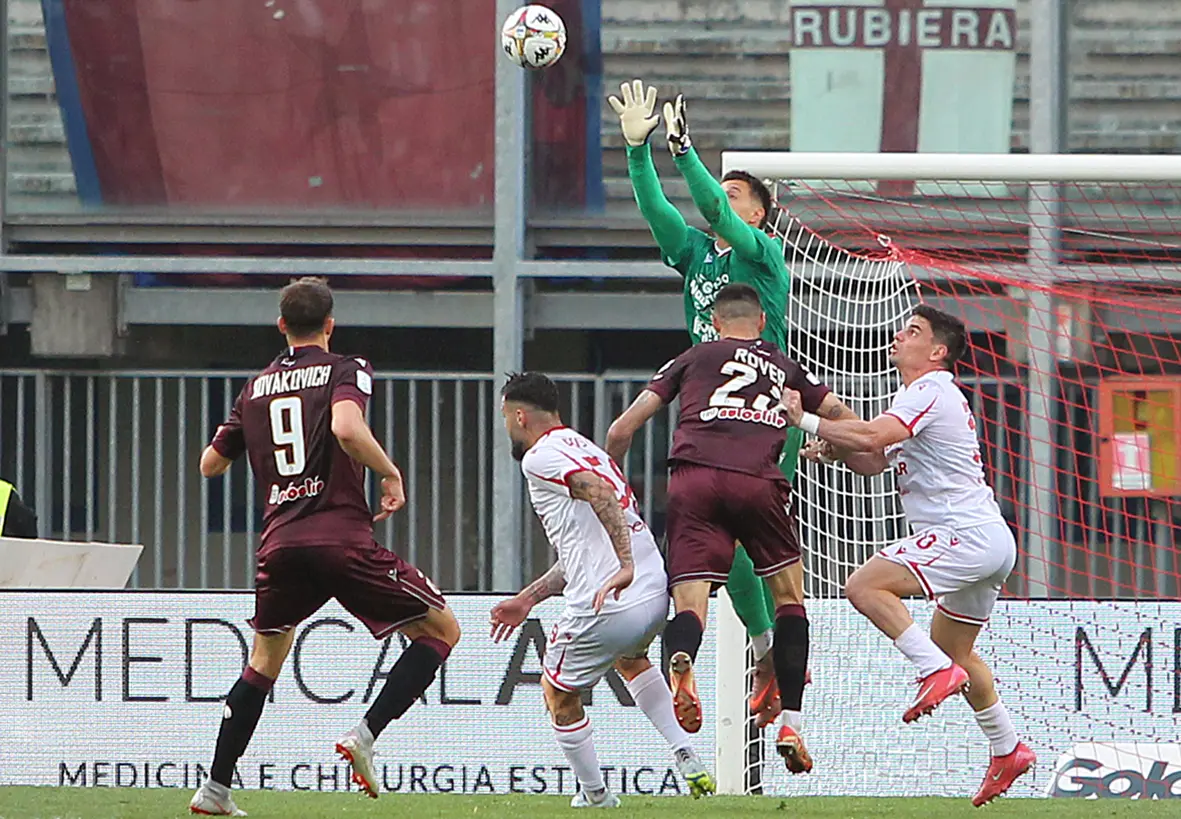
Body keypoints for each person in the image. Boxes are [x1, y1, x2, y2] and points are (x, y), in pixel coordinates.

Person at [188, 277, 461, 816]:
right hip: (339, 537)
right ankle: (364, 735)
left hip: (280, 544)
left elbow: (209, 465)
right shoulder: (345, 368)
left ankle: (215, 789)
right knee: (442, 630)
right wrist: (389, 471)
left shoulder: (255, 387)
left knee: (265, 659)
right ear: (330, 325)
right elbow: (345, 426)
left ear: (282, 325)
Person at [609, 78, 813, 725]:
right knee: (715, 544)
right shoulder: (695, 254)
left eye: (734, 195)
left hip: (761, 413)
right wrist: (639, 152)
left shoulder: (762, 256)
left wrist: (685, 152)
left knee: (749, 544)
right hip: (706, 412)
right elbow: (659, 213)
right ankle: (763, 656)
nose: (719, 203)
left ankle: (768, 659)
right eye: (720, 192)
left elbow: (714, 212)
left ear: (758, 212)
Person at [781, 304, 1035, 805]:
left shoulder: (930, 389)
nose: (899, 336)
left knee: (863, 585)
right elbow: (874, 458)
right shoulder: (922, 396)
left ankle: (933, 672)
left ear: (938, 351)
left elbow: (874, 436)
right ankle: (1008, 748)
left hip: (962, 533)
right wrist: (835, 447)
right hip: (989, 539)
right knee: (956, 650)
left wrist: (806, 420)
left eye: (913, 331)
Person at [605, 284, 855, 774]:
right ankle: (792, 723)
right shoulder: (783, 367)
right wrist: (838, 445)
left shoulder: (692, 357)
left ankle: (682, 662)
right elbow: (840, 416)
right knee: (788, 599)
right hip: (757, 480)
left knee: (691, 603)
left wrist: (617, 491)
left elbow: (621, 429)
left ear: (715, 324)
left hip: (693, 479)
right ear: (761, 323)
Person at [489, 372, 715, 808]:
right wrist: (529, 597)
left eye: (504, 418)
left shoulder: (539, 457)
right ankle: (685, 754)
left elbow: (600, 496)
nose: (506, 428)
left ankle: (595, 796)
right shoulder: (587, 449)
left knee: (558, 692)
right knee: (631, 660)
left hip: (611, 598)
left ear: (519, 416)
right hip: (653, 594)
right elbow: (580, 552)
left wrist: (624, 566)